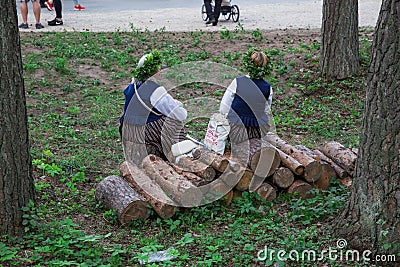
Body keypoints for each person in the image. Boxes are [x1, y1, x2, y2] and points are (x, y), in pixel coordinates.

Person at [120, 50, 187, 164]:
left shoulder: (132, 86)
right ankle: (175, 154)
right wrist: (180, 106)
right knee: (173, 122)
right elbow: (180, 115)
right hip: (143, 131)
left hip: (127, 130)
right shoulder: (155, 90)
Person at [219, 48, 273, 145]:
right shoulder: (267, 87)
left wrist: (224, 119)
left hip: (237, 126)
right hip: (256, 128)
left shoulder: (238, 82)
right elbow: (266, 109)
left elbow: (224, 105)